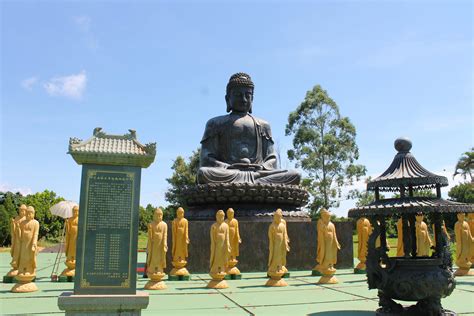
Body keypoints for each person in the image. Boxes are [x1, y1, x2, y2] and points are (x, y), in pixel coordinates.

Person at [198, 73, 300, 185]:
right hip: (229, 173)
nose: (244, 99)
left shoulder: (263, 125)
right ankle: (254, 185)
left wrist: (261, 167)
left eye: (248, 95)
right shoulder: (215, 123)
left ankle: (251, 183)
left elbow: (272, 159)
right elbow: (206, 158)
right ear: (228, 99)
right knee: (204, 173)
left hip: (258, 173)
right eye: (238, 95)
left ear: (253, 99)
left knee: (294, 175)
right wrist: (228, 167)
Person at [145, 208, 168, 290]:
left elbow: (165, 235)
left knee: (160, 258)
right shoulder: (151, 224)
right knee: (153, 257)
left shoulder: (164, 225)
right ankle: (152, 270)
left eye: (160, 215)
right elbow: (149, 237)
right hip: (153, 246)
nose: (159, 217)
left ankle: (159, 269)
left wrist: (165, 243)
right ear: (154, 215)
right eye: (157, 215)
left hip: (160, 246)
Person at [207, 210, 231, 289]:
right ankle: (215, 270)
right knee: (216, 257)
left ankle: (222, 270)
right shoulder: (214, 226)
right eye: (219, 216)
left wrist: (227, 245)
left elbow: (227, 237)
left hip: (223, 246)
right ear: (216, 217)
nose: (221, 218)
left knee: (223, 258)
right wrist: (214, 244)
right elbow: (212, 237)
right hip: (216, 246)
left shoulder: (226, 226)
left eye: (222, 216)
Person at [315, 209, 340, 275]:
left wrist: (336, 242)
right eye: (326, 217)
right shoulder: (321, 224)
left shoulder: (332, 224)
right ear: (323, 217)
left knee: (331, 253)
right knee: (325, 253)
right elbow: (320, 233)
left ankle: (331, 265)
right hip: (325, 242)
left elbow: (334, 234)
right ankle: (325, 265)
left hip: (331, 242)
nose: (327, 218)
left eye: (329, 217)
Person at [267, 209, 290, 276]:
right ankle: (273, 267)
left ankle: (280, 266)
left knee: (281, 255)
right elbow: (270, 236)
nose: (278, 218)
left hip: (281, 243)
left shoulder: (282, 225)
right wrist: (272, 242)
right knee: (275, 255)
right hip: (275, 244)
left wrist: (285, 242)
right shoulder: (272, 226)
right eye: (276, 217)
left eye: (279, 217)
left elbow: (284, 234)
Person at [8, 204, 27, 276]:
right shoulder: (17, 218)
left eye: (23, 211)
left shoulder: (25, 219)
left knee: (23, 253)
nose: (21, 212)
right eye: (20, 210)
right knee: (16, 252)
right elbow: (13, 230)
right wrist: (13, 224)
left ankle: (23, 266)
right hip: (16, 240)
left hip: (23, 240)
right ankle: (15, 264)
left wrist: (20, 228)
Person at [170, 207, 190, 276]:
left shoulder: (185, 221)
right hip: (177, 238)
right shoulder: (175, 221)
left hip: (183, 239)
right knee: (177, 248)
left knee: (182, 249)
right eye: (179, 213)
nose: (180, 214)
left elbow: (186, 230)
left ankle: (182, 259)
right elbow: (173, 231)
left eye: (182, 213)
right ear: (177, 213)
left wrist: (186, 237)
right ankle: (176, 259)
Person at [62, 205, 79, 276]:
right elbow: (68, 231)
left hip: (77, 237)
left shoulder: (80, 219)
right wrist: (67, 223)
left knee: (76, 248)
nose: (75, 213)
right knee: (70, 248)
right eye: (74, 211)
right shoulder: (70, 219)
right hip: (71, 237)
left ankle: (75, 258)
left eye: (76, 211)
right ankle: (70, 258)